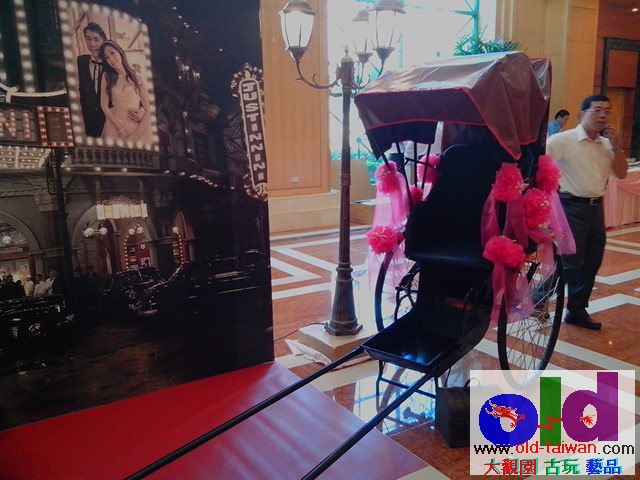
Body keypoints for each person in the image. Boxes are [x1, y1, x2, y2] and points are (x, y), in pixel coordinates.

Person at [547, 95, 627, 330]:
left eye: (607, 111)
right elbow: (541, 166)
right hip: (570, 205)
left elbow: (621, 173)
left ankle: (577, 310)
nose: (602, 115)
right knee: (570, 261)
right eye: (597, 110)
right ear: (582, 114)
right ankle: (538, 297)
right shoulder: (562, 140)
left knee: (592, 260)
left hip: (596, 207)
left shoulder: (606, 145)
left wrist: (617, 146)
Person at [99, 40, 151, 144]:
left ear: (120, 51)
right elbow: (104, 106)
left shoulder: (137, 77)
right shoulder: (107, 76)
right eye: (107, 57)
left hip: (135, 126)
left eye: (112, 53)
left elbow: (148, 107)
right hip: (115, 126)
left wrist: (142, 112)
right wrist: (120, 129)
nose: (111, 59)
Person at [77, 22, 107, 137]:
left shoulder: (112, 63)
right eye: (88, 39)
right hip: (90, 121)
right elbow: (82, 90)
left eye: (96, 39)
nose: (92, 44)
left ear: (103, 41)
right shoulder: (81, 61)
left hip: (110, 120)